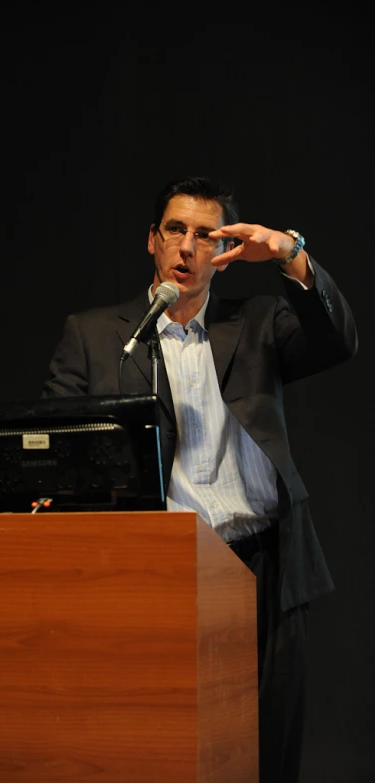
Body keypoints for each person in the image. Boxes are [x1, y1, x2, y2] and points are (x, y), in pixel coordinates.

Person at [40, 175, 358, 783]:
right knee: (169, 747)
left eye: (205, 235)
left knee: (267, 749)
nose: (187, 247)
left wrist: (290, 253)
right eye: (175, 231)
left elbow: (338, 340)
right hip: (158, 572)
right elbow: (57, 449)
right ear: (152, 241)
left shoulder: (260, 321)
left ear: (225, 253)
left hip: (267, 564)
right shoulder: (98, 335)